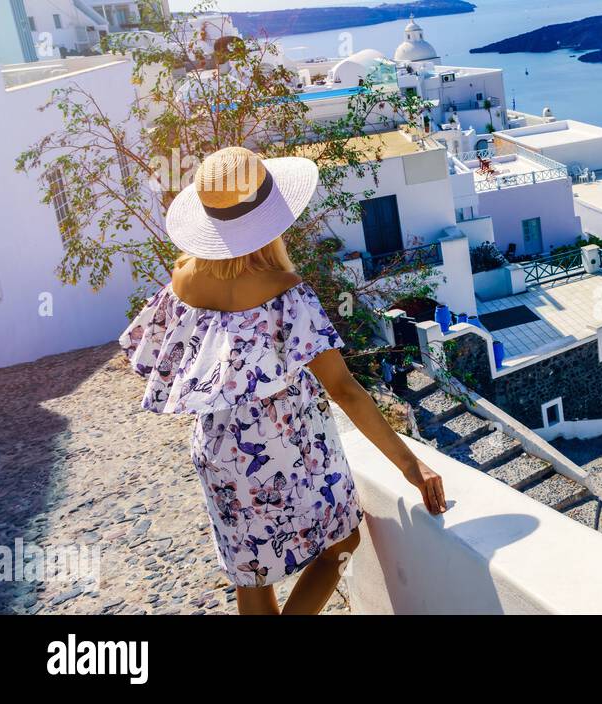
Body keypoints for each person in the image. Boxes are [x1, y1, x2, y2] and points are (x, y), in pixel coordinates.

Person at [120, 146, 447, 615]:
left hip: (218, 451)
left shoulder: (183, 279)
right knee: (342, 544)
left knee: (253, 576)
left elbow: (163, 360)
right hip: (288, 448)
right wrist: (411, 466)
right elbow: (345, 390)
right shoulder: (286, 294)